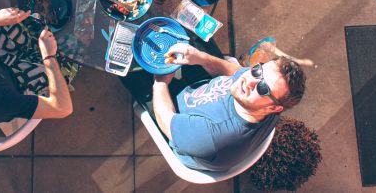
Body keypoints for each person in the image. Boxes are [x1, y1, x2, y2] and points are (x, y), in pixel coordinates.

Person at [122, 43, 305, 172]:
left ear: (274, 109)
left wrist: (161, 82)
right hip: (199, 93)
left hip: (177, 119)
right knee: (187, 38)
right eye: (257, 71)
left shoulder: (213, 139)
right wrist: (200, 58)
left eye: (263, 88)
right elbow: (235, 73)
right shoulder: (258, 99)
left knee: (127, 64)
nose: (249, 80)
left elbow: (166, 120)